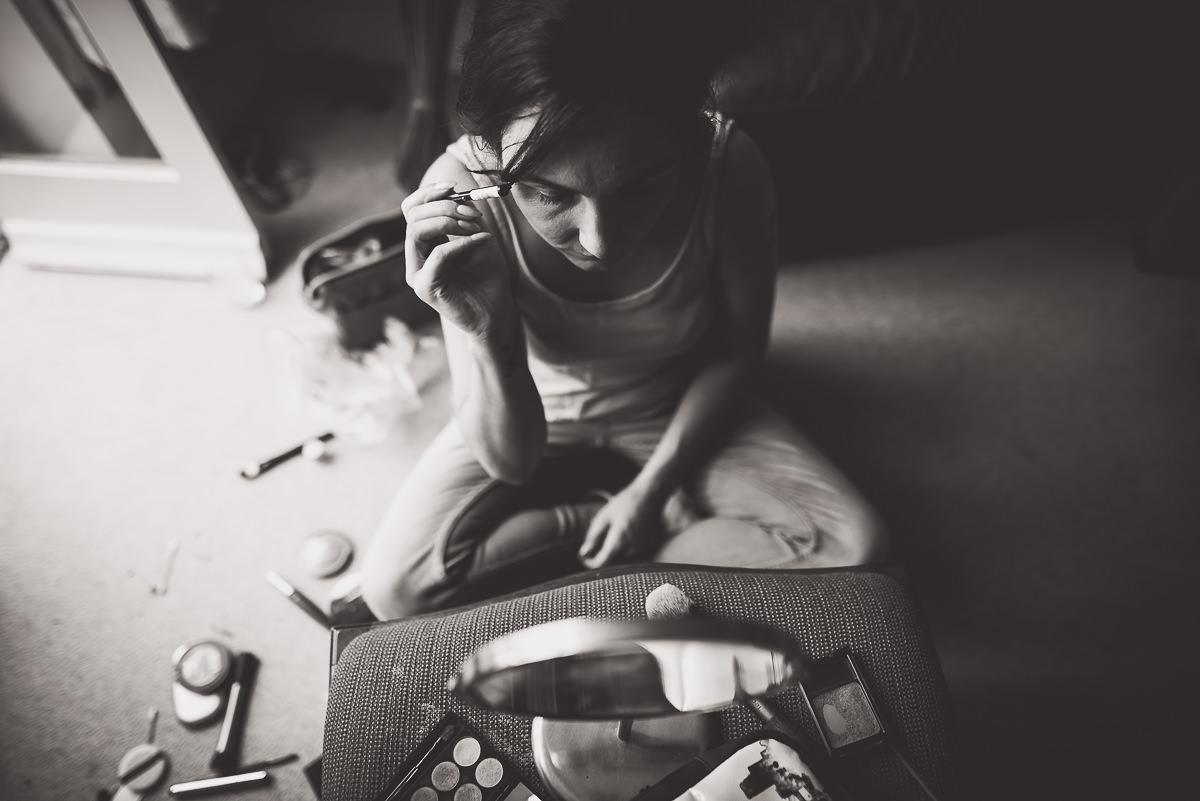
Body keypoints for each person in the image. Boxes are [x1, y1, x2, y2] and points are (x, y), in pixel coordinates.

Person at [362, 0, 884, 620]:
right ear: (488, 155)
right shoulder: (461, 201)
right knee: (394, 589)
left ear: (687, 142)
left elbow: (739, 351)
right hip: (535, 408)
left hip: (674, 397)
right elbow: (513, 460)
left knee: (856, 543)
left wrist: (649, 492)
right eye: (549, 194)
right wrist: (487, 331)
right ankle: (612, 527)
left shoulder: (729, 165)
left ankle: (618, 543)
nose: (600, 243)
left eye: (641, 186)